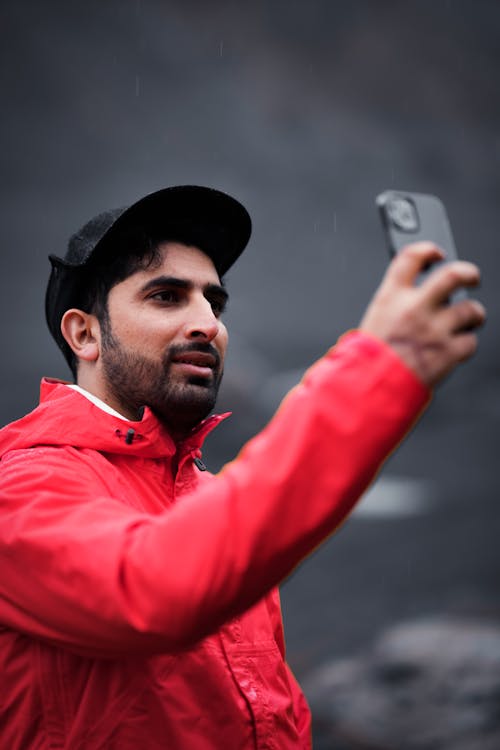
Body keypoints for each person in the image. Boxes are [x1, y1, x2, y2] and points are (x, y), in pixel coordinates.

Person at [0, 185, 485, 749]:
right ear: (85, 333)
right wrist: (378, 370)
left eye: (215, 302)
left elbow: (273, 707)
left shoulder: (203, 497)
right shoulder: (22, 487)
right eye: (166, 296)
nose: (208, 322)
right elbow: (154, 591)